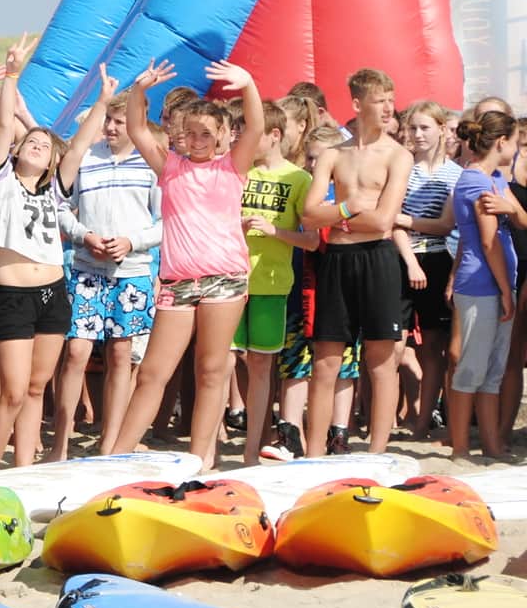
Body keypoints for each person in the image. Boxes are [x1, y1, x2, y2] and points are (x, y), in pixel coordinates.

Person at [109, 60, 264, 472]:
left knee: (211, 369)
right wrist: (140, 89)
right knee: (152, 373)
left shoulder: (232, 167)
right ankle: (116, 456)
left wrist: (247, 84)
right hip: (177, 284)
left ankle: (201, 459)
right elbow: (137, 128)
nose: (197, 140)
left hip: (224, 281)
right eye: (190, 133)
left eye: (206, 134)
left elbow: (256, 129)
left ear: (222, 137)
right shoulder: (171, 167)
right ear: (179, 136)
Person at [0, 43, 108, 469]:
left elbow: (78, 147)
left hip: (53, 291)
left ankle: (23, 470)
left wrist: (104, 102)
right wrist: (11, 75)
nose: (36, 144)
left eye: (43, 144)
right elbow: (2, 126)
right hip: (12, 293)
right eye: (30, 141)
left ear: (52, 160)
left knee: (37, 389)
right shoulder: (1, 181)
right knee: (13, 391)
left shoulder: (55, 188)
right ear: (17, 152)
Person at [300, 68, 414, 455]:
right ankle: (314, 453)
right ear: (357, 104)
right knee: (325, 362)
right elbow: (308, 215)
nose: (387, 107)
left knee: (381, 362)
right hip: (337, 258)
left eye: (390, 99)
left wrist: (337, 214)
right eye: (379, 100)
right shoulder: (334, 154)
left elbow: (384, 220)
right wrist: (348, 206)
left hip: (377, 259)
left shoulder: (398, 155)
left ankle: (377, 453)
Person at [55, 87, 162, 461]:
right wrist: (83, 235)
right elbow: (60, 208)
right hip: (86, 268)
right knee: (76, 353)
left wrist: (133, 242)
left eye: (121, 120)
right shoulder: (85, 158)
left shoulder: (152, 163)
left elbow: (166, 221)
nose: (113, 128)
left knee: (121, 357)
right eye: (109, 120)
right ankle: (61, 444)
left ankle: (110, 445)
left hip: (131, 272)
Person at [232, 101, 314, 465]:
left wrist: (275, 230)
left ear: (274, 135)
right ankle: (222, 442)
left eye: (249, 131)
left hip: (272, 283)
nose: (241, 138)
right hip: (231, 280)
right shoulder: (237, 171)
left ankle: (253, 450)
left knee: (262, 365)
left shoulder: (299, 179)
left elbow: (312, 240)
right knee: (225, 362)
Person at [449, 110, 516, 459]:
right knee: (470, 369)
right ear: (502, 142)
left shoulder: (495, 180)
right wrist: (505, 289)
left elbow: (519, 215)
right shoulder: (475, 181)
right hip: (480, 285)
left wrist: (509, 207)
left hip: (495, 284)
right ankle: (460, 448)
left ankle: (489, 445)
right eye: (516, 139)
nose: (518, 146)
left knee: (492, 370)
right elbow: (489, 242)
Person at [393, 101, 459, 439]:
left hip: (438, 260)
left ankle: (425, 419)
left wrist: (405, 219)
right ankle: (395, 416)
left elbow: (447, 225)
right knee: (393, 345)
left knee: (434, 345)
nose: (418, 135)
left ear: (442, 130)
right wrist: (410, 258)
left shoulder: (455, 174)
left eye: (425, 128)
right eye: (413, 128)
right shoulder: (401, 169)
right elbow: (391, 223)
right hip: (402, 259)